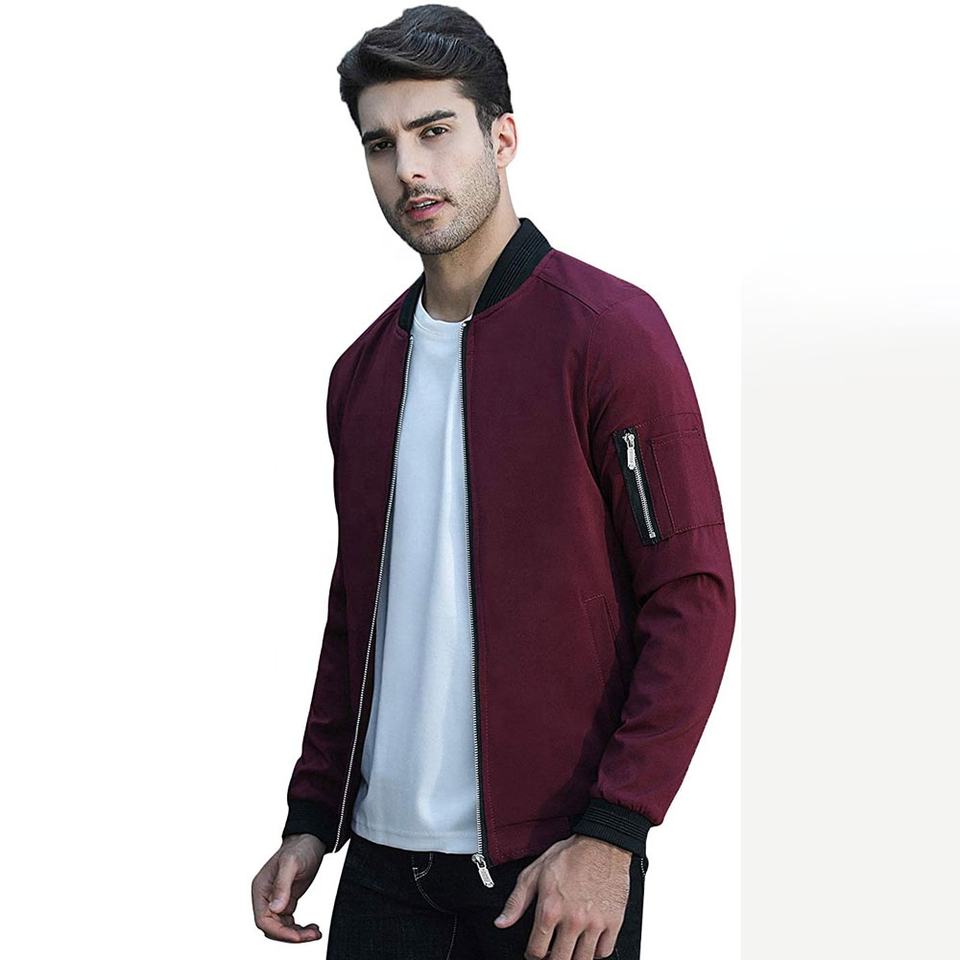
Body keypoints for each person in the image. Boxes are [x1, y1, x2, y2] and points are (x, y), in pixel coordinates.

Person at [251, 5, 736, 957]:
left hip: (551, 872)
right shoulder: (362, 374)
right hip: (380, 874)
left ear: (502, 138)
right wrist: (312, 813)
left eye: (435, 131)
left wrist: (616, 831)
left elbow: (692, 595)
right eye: (381, 144)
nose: (409, 168)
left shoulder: (610, 335)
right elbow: (358, 615)